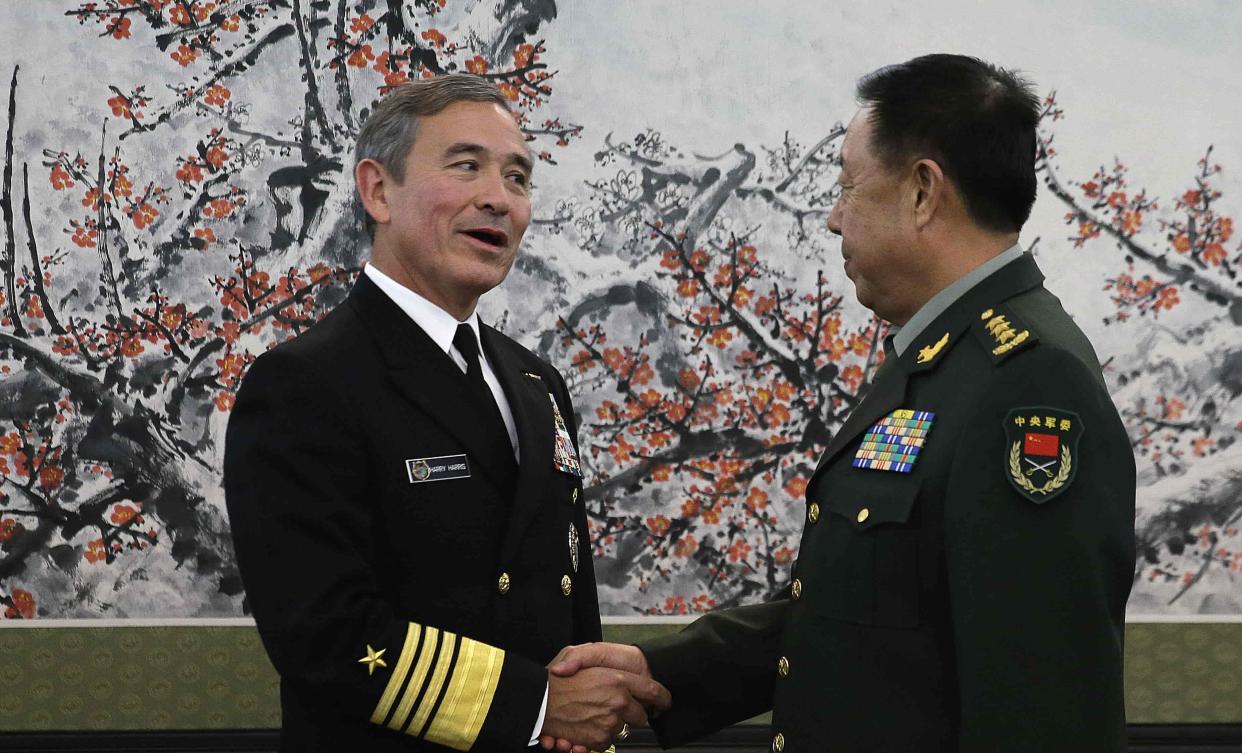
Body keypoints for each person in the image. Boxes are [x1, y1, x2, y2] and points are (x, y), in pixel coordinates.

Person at [546, 54, 1136, 752]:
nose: (832, 218)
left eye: (848, 186)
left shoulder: (1028, 383)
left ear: (923, 192)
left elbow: (1041, 706)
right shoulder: (943, 357)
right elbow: (863, 615)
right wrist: (663, 674)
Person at [224, 74, 667, 753]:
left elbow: (566, 606)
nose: (498, 198)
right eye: (466, 166)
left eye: (517, 178)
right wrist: (538, 705)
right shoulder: (304, 384)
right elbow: (324, 633)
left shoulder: (535, 382)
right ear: (378, 191)